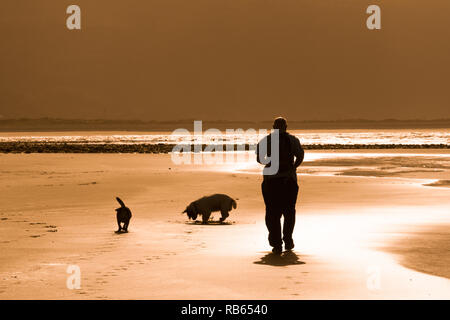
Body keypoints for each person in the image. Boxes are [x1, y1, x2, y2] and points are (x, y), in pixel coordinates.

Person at [256, 117, 304, 254]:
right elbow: (300, 156)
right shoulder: (293, 140)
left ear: (273, 126)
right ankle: (288, 240)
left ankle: (276, 243)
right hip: (289, 181)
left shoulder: (266, 140)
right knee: (289, 212)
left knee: (272, 213)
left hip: (271, 181)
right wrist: (293, 167)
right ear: (286, 127)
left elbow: (259, 158)